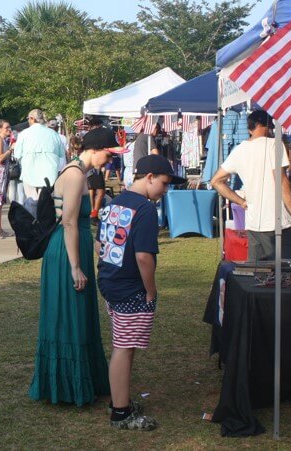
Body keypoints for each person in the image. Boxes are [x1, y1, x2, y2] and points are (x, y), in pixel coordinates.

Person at [97, 153, 185, 430]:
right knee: (123, 348)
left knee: (123, 345)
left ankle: (119, 401)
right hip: (131, 287)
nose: (166, 189)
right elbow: (144, 257)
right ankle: (121, 413)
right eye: (164, 182)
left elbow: (101, 246)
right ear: (148, 178)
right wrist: (151, 290)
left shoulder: (115, 203)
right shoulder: (145, 210)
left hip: (111, 282)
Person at [28, 128, 112, 409]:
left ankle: (81, 380)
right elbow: (69, 223)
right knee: (68, 316)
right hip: (66, 253)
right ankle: (65, 387)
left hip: (72, 249)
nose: (109, 159)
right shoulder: (76, 174)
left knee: (76, 316)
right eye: (108, 153)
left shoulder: (77, 170)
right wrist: (76, 266)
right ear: (95, 149)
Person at [210, 110, 291, 261]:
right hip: (278, 222)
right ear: (266, 125)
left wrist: (241, 202)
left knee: (257, 274)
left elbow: (215, 181)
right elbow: (281, 181)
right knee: (288, 271)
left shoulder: (240, 150)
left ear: (250, 128)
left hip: (254, 223)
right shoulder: (274, 144)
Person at [13, 109, 66, 216]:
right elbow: (61, 154)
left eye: (28, 119)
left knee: (31, 202)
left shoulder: (24, 134)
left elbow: (17, 155)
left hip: (29, 174)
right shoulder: (53, 134)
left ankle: (33, 226)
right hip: (49, 176)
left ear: (32, 119)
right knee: (47, 203)